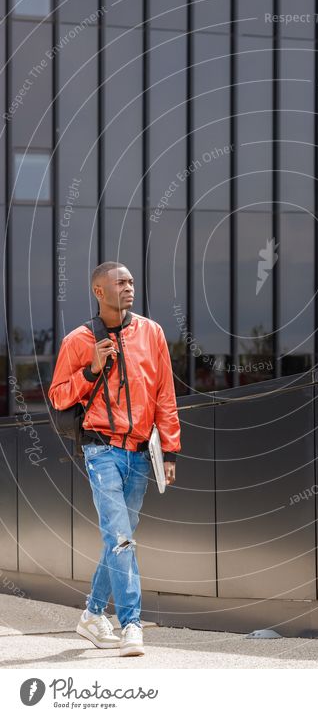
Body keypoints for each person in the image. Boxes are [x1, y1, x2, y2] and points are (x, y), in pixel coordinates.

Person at [48, 261, 181, 657]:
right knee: (120, 537)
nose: (128, 287)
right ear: (98, 291)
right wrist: (91, 369)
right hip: (100, 449)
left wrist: (169, 451)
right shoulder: (79, 340)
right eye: (119, 282)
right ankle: (132, 626)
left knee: (119, 539)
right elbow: (57, 396)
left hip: (140, 453)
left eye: (131, 282)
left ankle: (91, 614)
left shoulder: (152, 333)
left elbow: (165, 395)